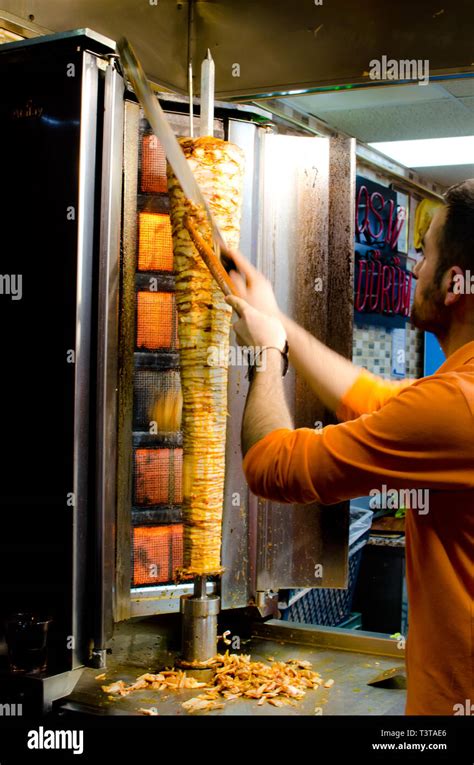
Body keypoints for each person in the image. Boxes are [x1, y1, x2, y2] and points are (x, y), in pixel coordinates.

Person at [224, 179, 474, 716]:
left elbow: (272, 466)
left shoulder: (456, 407)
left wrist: (267, 356)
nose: (412, 269)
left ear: (456, 283)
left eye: (424, 253)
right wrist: (275, 318)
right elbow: (372, 397)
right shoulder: (456, 395)